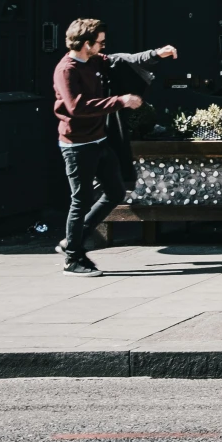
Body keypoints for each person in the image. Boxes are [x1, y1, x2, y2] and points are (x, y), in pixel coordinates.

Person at [51, 17, 175, 274]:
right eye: (100, 42)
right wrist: (120, 101)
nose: (103, 46)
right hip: (76, 144)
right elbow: (76, 107)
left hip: (98, 139)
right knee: (81, 199)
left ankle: (72, 241)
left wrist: (156, 54)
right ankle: (73, 258)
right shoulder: (67, 69)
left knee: (115, 192)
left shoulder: (95, 60)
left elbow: (123, 59)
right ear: (86, 43)